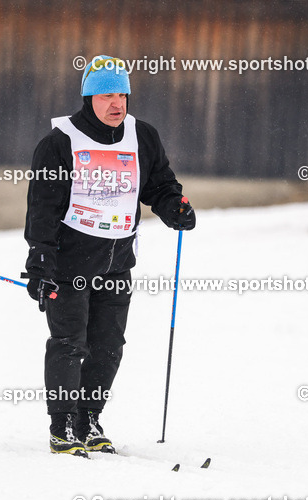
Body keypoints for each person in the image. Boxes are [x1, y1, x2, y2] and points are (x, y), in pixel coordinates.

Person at [23, 55, 195, 457]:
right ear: (88, 98)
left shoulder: (143, 137)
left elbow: (160, 186)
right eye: (106, 95)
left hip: (118, 264)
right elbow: (42, 209)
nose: (117, 103)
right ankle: (63, 426)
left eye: (122, 93)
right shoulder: (59, 143)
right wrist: (40, 262)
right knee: (69, 344)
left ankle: (89, 420)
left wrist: (175, 208)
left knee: (108, 346)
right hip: (68, 265)